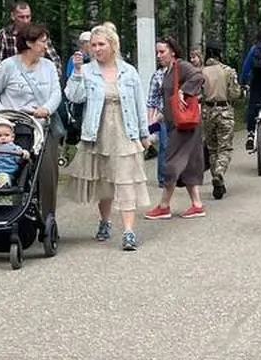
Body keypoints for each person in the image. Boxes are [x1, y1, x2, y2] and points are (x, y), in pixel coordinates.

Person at [63, 24, 152, 251]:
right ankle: (104, 221)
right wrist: (77, 72)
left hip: (125, 130)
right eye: (93, 45)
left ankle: (129, 231)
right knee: (104, 182)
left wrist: (144, 134)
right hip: (97, 132)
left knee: (125, 180)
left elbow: (139, 104)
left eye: (101, 44)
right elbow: (74, 96)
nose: (96, 49)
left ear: (113, 45)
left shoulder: (128, 72)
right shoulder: (87, 71)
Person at [0, 23, 63, 227]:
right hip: (13, 128)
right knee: (12, 169)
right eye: (42, 42)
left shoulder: (49, 66)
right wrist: (2, 113)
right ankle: (7, 214)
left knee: (47, 173)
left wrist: (47, 109)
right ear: (29, 43)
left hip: (42, 127)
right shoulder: (8, 66)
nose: (46, 46)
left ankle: (48, 219)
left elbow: (56, 92)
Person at [144, 36, 208, 220]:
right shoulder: (168, 71)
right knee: (187, 165)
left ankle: (164, 206)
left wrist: (183, 90)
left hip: (185, 125)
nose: (158, 55)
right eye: (157, 52)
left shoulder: (182, 66)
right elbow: (169, 102)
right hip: (176, 124)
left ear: (172, 52)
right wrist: (156, 120)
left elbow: (199, 76)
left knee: (171, 163)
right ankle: (197, 205)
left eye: (162, 51)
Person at [200, 46, 242, 199]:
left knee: (212, 148)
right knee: (225, 147)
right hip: (224, 111)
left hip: (207, 112)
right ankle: (219, 172)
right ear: (219, 55)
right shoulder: (228, 71)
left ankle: (217, 182)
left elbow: (199, 93)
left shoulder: (201, 72)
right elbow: (234, 93)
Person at [0, 2, 61, 76]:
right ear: (13, 16)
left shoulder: (40, 34)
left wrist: (50, 77)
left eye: (28, 17)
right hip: (12, 78)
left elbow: (55, 61)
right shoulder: (4, 35)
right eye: (21, 17)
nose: (25, 21)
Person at [147, 56, 169, 188]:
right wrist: (151, 122)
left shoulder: (180, 72)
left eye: (162, 52)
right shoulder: (157, 76)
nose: (159, 56)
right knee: (164, 146)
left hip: (179, 117)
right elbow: (152, 100)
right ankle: (163, 178)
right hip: (163, 117)